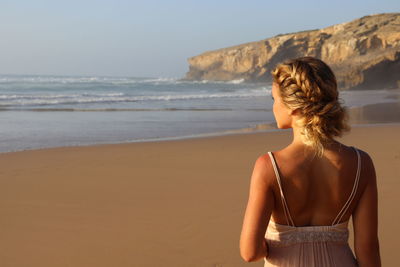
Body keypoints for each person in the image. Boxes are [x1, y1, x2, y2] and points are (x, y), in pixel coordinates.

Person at [239, 57, 381, 266]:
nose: (273, 107)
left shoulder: (270, 166)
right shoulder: (361, 163)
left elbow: (249, 252)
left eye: (274, 99)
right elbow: (367, 249)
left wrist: (278, 245)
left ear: (293, 107)